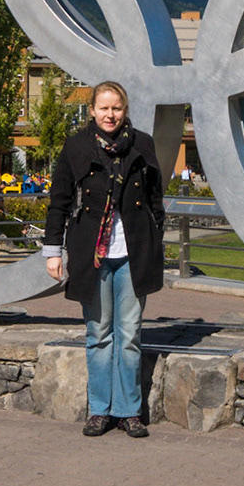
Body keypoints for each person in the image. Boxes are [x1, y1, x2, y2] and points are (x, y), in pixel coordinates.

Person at [43, 81, 164, 439]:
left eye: (117, 108)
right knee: (98, 333)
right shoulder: (76, 146)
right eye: (104, 108)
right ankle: (99, 410)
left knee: (129, 335)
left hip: (132, 251)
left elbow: (156, 199)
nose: (110, 115)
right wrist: (53, 252)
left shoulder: (142, 144)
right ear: (92, 110)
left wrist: (156, 237)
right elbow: (59, 202)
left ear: (125, 111)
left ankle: (128, 411)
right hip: (91, 253)